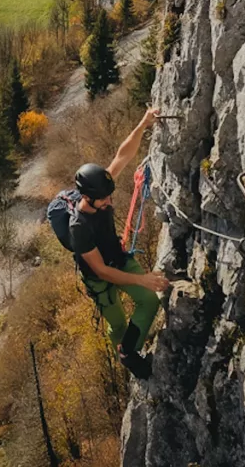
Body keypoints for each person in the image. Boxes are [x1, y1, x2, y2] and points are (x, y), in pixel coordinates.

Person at [70, 106, 170, 379]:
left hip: (117, 257)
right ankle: (124, 349)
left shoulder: (100, 190)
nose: (110, 202)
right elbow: (101, 271)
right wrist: (142, 279)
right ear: (88, 198)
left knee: (149, 301)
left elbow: (122, 155)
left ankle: (128, 352)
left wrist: (144, 123)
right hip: (99, 276)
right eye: (104, 200)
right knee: (116, 321)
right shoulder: (79, 227)